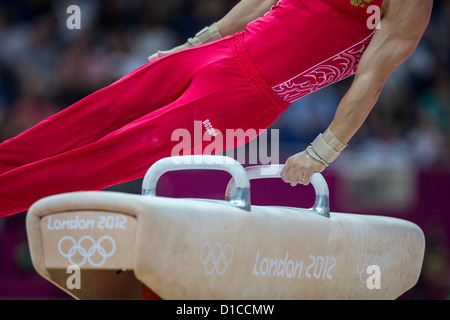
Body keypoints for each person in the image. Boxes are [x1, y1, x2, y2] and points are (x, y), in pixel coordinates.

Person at [0, 0, 433, 217]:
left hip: (244, 98)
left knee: (104, 157)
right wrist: (198, 42)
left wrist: (323, 151)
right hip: (222, 51)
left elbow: (371, 80)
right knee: (88, 116)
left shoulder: (412, 6)